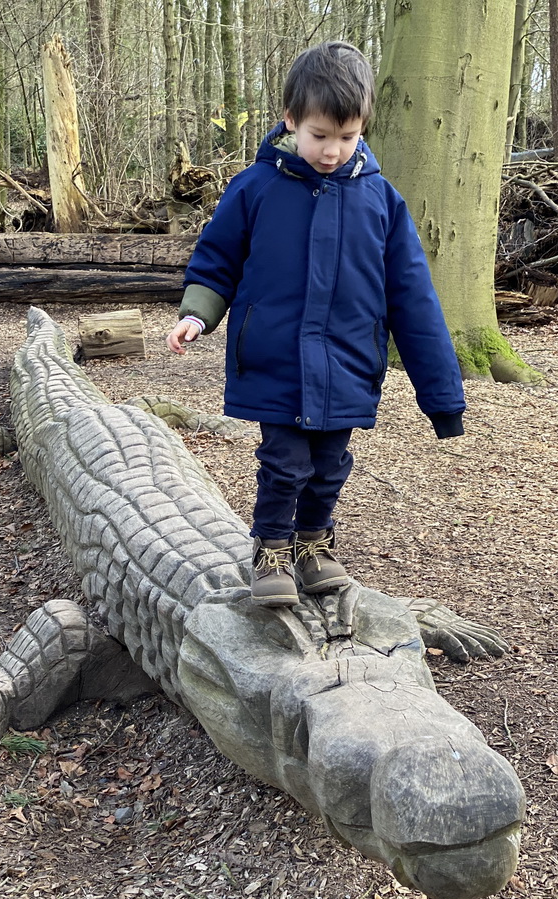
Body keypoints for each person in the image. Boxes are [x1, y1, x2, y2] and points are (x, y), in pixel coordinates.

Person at [165, 40, 465, 608]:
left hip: (349, 361)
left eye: (346, 137)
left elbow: (414, 299)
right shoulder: (255, 188)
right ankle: (272, 547)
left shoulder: (381, 201)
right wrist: (196, 316)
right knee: (284, 460)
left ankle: (313, 543)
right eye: (319, 135)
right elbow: (216, 260)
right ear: (291, 121)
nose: (331, 150)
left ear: (363, 128)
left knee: (329, 463)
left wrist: (442, 399)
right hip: (275, 359)